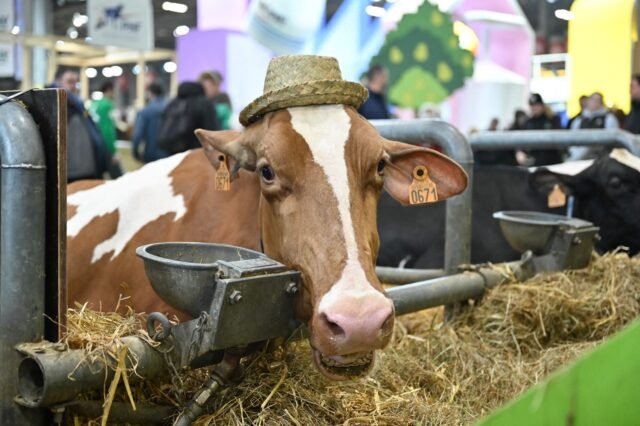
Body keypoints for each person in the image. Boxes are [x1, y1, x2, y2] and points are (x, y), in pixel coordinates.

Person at [51, 69, 108, 182]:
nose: (73, 86)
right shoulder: (56, 106)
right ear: (59, 82)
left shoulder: (78, 105)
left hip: (87, 169)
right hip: (72, 172)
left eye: (75, 82)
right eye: (69, 82)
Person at [157, 81, 220, 155]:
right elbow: (212, 131)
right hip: (198, 153)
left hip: (174, 153)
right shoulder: (204, 103)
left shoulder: (173, 103)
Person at [568, 92, 619, 160]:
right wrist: (577, 154)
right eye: (592, 100)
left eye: (597, 100)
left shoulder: (609, 118)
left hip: (602, 158)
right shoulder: (579, 120)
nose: (594, 103)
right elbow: (572, 139)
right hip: (580, 158)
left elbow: (612, 140)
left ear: (601, 103)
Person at [90, 81, 123, 178]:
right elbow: (107, 129)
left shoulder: (95, 104)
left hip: (97, 143)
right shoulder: (108, 105)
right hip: (106, 145)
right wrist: (113, 151)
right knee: (118, 177)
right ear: (109, 90)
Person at [522, 93, 565, 166]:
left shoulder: (552, 119)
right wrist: (520, 153)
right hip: (535, 162)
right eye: (532, 105)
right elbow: (522, 140)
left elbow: (560, 138)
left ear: (542, 105)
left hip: (553, 161)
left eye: (537, 105)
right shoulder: (528, 122)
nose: (534, 108)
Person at [132, 83, 169, 163]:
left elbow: (138, 134)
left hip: (151, 153)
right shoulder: (171, 108)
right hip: (169, 154)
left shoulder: (146, 111)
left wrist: (135, 152)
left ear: (150, 93)